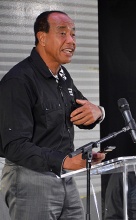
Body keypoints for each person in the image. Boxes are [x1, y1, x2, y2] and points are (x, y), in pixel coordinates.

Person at [0, 11, 106, 220]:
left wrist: (99, 112)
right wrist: (65, 161)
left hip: (64, 175)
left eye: (73, 35)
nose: (71, 41)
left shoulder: (62, 76)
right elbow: (14, 146)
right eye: (63, 33)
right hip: (30, 177)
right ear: (42, 37)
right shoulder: (18, 81)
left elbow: (83, 114)